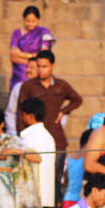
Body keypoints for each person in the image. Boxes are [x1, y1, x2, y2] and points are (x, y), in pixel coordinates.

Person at [17, 50, 83, 189]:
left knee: (56, 178)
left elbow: (77, 100)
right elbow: (20, 113)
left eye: (44, 66)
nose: (41, 70)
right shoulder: (28, 86)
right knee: (34, 179)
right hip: (34, 140)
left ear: (53, 66)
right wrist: (21, 138)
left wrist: (63, 112)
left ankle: (55, 207)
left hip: (56, 137)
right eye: (39, 66)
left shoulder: (61, 85)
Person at [9, 6, 54, 90]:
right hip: (19, 74)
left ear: (38, 20)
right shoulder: (17, 33)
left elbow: (43, 54)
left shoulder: (43, 32)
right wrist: (31, 56)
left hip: (36, 73)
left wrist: (22, 57)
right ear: (23, 19)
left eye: (33, 21)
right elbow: (13, 54)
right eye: (28, 21)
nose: (30, 24)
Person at [62, 129, 92, 208]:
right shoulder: (89, 160)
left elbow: (65, 179)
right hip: (81, 199)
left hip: (68, 198)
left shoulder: (71, 157)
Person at [6, 56, 37, 135]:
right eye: (27, 67)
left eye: (31, 67)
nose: (27, 70)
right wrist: (13, 132)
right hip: (21, 134)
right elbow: (10, 112)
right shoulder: (18, 88)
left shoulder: (49, 88)